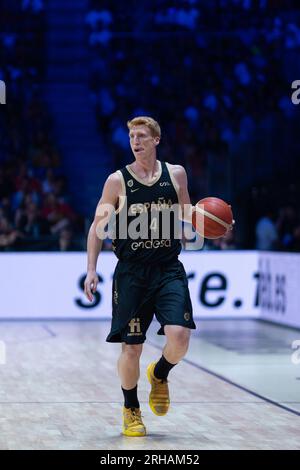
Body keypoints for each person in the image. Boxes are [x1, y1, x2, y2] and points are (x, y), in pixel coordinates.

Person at [84, 116, 196, 437]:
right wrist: (91, 269)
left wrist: (210, 221)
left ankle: (159, 374)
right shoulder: (117, 182)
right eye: (132, 135)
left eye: (142, 135)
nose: (135, 140)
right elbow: (97, 229)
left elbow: (189, 214)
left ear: (155, 140)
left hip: (167, 268)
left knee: (180, 337)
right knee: (131, 348)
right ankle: (130, 407)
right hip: (132, 273)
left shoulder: (176, 175)